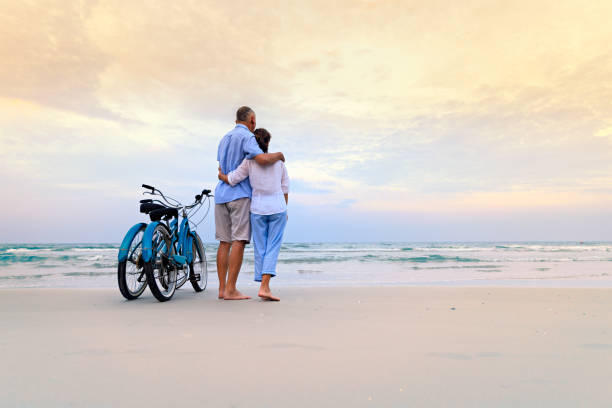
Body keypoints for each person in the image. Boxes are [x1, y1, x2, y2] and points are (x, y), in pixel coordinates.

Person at [215, 107, 285, 300]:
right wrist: (279, 155)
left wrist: (222, 176)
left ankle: (222, 289)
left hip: (221, 194)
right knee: (239, 240)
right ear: (252, 120)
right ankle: (230, 289)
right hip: (240, 196)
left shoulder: (224, 138)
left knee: (224, 242)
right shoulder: (247, 138)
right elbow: (262, 159)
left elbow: (222, 168)